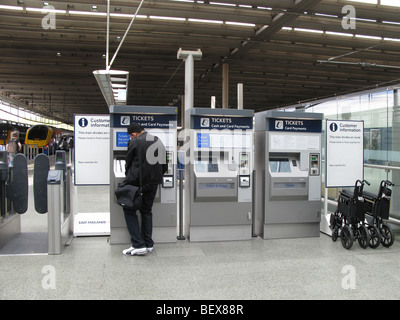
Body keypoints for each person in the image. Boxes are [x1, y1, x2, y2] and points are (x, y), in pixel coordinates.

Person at [122, 122, 168, 256]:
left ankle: (137, 244)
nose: (131, 138)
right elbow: (164, 164)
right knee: (146, 211)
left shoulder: (134, 142)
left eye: (131, 136)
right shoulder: (157, 141)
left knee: (129, 209)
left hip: (137, 183)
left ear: (134, 134)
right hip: (153, 183)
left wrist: (128, 177)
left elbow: (128, 164)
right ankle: (148, 244)